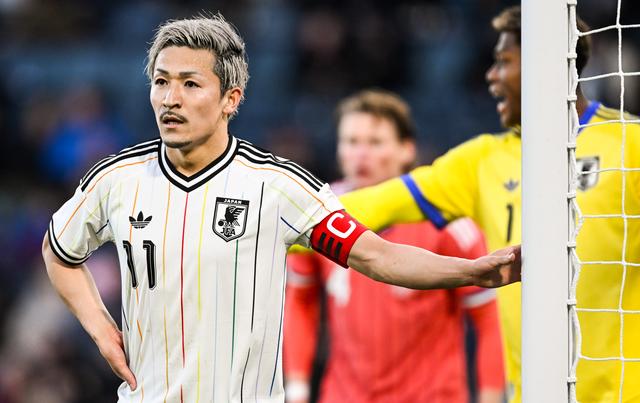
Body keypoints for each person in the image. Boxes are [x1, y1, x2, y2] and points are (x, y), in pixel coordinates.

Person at [41, 14, 520, 403]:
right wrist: (101, 329)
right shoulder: (117, 179)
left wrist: (471, 271)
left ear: (231, 99)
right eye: (161, 82)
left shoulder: (277, 187)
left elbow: (375, 255)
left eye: (190, 84)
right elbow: (58, 249)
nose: (170, 99)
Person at [340, 6, 640, 403]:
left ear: (546, 63)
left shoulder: (629, 145)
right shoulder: (481, 161)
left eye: (503, 61)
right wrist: (286, 213)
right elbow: (370, 205)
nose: (490, 75)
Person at [283, 89, 505, 403]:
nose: (361, 154)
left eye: (375, 142)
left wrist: (490, 398)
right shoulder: (317, 214)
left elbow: (489, 319)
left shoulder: (447, 222)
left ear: (406, 150)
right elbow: (300, 302)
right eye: (351, 142)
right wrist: (297, 389)